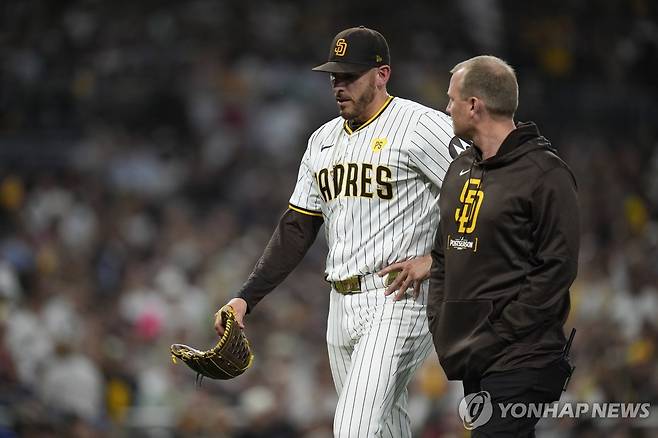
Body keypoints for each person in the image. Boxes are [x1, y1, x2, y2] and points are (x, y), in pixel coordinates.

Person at [215, 26, 458, 437]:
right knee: (385, 427)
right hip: (340, 305)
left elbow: (481, 190)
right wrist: (245, 298)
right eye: (334, 76)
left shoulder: (421, 126)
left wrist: (438, 260)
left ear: (382, 74)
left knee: (352, 428)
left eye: (350, 76)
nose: (339, 85)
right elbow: (297, 227)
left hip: (399, 298)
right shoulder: (322, 140)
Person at [428, 55, 579, 436]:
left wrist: (498, 334)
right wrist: (441, 324)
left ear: (474, 105)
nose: (447, 108)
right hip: (472, 356)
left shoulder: (545, 173)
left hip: (523, 355)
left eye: (452, 100)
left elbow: (556, 269)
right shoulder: (459, 167)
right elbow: (443, 255)